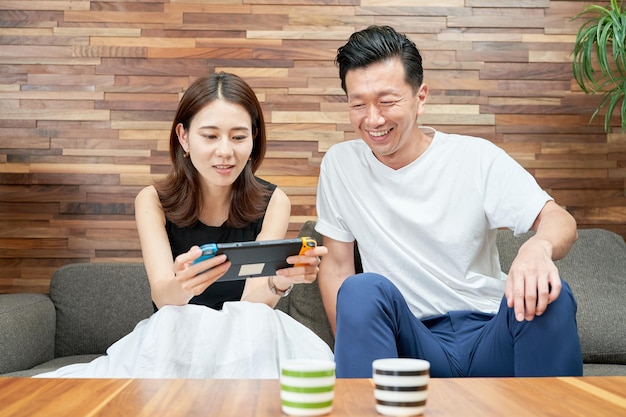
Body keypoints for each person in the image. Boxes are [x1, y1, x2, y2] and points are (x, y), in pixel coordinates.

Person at [315, 25, 583, 378]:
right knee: (361, 288)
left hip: (490, 335)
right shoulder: (341, 165)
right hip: (412, 344)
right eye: (358, 104)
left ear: (420, 98)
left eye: (387, 101)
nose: (373, 119)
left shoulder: (475, 157)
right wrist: (352, 349)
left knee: (552, 294)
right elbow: (335, 268)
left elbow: (559, 219)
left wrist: (538, 247)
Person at [36, 72, 332, 379]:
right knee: (170, 322)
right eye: (210, 136)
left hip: (246, 338)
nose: (225, 151)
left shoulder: (274, 200)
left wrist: (280, 281)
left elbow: (254, 303)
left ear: (254, 138)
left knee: (257, 323)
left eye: (239, 136)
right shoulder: (152, 200)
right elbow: (163, 297)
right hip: (175, 337)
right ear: (184, 137)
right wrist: (185, 282)